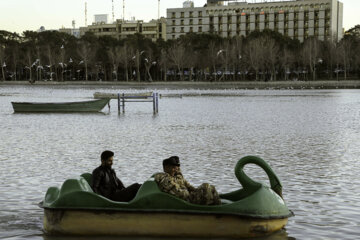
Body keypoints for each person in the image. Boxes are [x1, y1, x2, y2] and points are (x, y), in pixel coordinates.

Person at [154, 156, 221, 205]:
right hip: (185, 201)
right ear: (166, 168)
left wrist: (196, 191)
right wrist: (191, 193)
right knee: (205, 186)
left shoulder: (177, 177)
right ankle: (210, 209)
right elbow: (177, 192)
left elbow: (188, 186)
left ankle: (218, 207)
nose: (175, 170)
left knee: (211, 187)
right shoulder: (164, 178)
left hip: (189, 197)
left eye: (176, 168)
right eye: (173, 168)